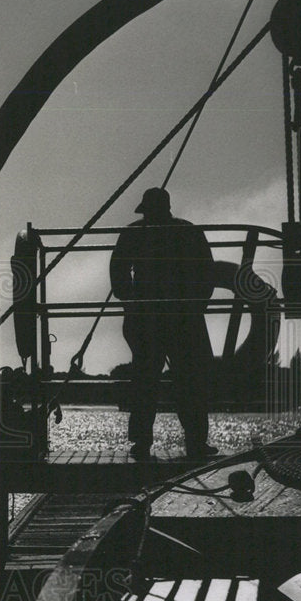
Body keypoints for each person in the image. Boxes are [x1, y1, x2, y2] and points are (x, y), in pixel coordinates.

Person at [110, 187, 219, 461]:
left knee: (145, 380)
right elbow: (207, 271)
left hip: (147, 319)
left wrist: (130, 301)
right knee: (190, 381)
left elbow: (118, 273)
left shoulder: (134, 233)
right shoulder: (189, 231)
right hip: (184, 318)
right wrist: (197, 306)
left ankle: (141, 442)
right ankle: (196, 441)